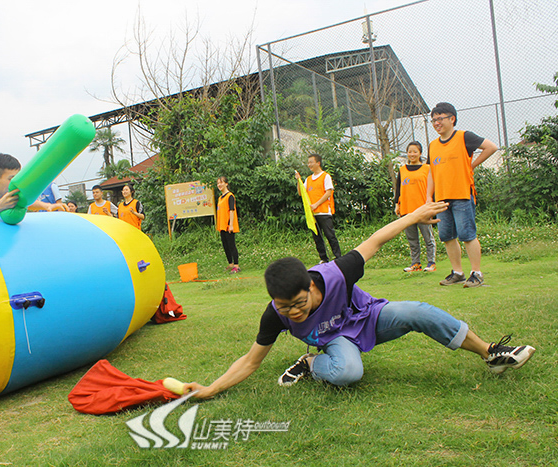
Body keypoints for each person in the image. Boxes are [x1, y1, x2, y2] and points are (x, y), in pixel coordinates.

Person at [184, 202, 535, 399]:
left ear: (311, 286)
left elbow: (375, 240)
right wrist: (211, 389)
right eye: (283, 306)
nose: (292, 312)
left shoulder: (338, 272)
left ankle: (491, 354)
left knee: (419, 311)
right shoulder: (275, 314)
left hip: (368, 316)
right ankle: (312, 363)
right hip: (336, 339)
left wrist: (413, 217)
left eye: (298, 304)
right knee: (349, 372)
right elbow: (251, 361)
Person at [426, 102, 498, 288]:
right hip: (442, 198)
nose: (436, 123)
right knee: (446, 236)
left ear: (452, 119)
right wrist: (429, 197)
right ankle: (457, 272)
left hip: (462, 194)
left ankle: (476, 273)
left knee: (467, 234)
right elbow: (431, 172)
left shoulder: (464, 137)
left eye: (440, 118)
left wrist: (471, 165)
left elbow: (491, 147)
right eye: (433, 120)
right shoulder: (433, 145)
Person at [0, 153, 65, 220]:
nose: (16, 184)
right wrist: (0, 206)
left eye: (18, 179)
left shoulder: (11, 198)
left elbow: (27, 202)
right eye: (11, 179)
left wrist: (47, 206)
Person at [394, 141, 436, 272]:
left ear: (420, 153)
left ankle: (431, 263)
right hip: (407, 209)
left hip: (423, 209)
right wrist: (397, 205)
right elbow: (398, 189)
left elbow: (433, 188)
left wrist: (432, 206)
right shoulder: (402, 170)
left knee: (428, 237)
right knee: (412, 239)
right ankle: (415, 263)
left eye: (415, 151)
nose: (412, 154)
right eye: (409, 151)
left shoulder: (427, 168)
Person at [296, 153, 341, 263]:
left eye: (311, 162)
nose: (309, 164)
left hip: (324, 212)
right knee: (317, 238)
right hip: (313, 214)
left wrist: (316, 204)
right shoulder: (308, 179)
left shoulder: (325, 176)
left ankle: (338, 257)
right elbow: (301, 193)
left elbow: (328, 192)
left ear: (318, 163)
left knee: (330, 235)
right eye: (308, 163)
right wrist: (298, 180)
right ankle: (323, 258)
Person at [216, 176, 240, 273]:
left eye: (221, 182)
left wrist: (231, 225)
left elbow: (231, 210)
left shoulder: (230, 196)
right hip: (222, 225)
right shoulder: (220, 198)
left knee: (231, 245)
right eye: (218, 183)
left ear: (226, 184)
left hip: (228, 225)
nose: (219, 185)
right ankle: (230, 264)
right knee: (225, 245)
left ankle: (236, 266)